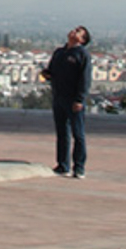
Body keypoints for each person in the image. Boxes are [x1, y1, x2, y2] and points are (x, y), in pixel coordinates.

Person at [43, 24, 93, 177]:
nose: (74, 31)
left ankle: (79, 167)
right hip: (59, 97)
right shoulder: (59, 53)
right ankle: (63, 164)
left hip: (73, 100)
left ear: (82, 40)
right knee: (62, 133)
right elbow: (51, 71)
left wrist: (80, 99)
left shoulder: (82, 55)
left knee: (78, 134)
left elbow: (85, 79)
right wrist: (47, 75)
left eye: (79, 32)